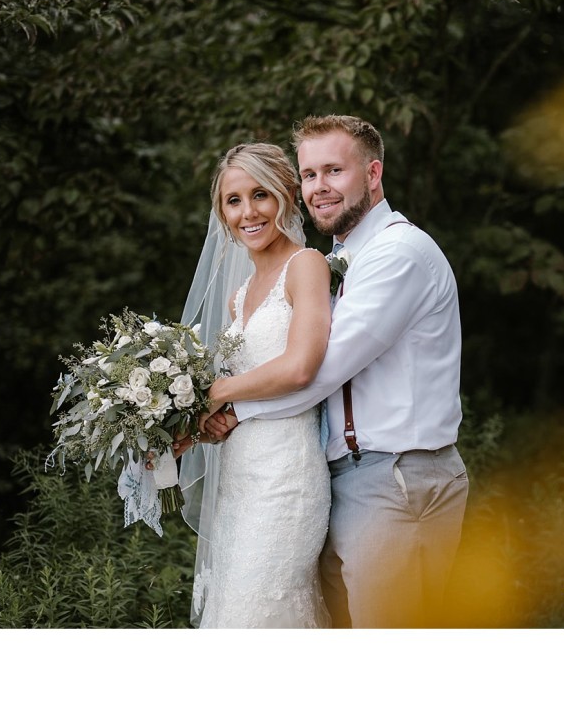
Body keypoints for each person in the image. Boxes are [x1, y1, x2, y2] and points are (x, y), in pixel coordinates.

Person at [201, 114, 468, 628]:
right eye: (309, 174)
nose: (319, 187)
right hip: (337, 475)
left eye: (333, 171)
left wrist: (226, 407)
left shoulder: (398, 253)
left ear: (372, 174)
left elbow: (318, 370)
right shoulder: (341, 258)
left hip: (397, 475)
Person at [177, 142, 333, 628]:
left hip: (285, 479)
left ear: (287, 195)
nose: (248, 212)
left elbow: (299, 367)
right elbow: (249, 391)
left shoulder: (306, 265)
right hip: (239, 481)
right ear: (222, 213)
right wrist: (198, 428)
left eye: (260, 195)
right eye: (234, 200)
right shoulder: (238, 296)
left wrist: (215, 393)